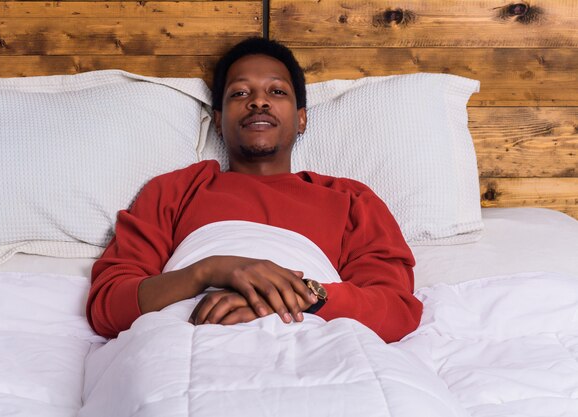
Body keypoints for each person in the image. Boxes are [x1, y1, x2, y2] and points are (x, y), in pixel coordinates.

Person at [86, 37, 422, 343]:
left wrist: (290, 296)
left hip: (314, 336)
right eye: (240, 93)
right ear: (218, 120)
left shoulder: (351, 200)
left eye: (276, 92)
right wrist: (212, 270)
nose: (258, 101)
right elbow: (108, 306)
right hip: (188, 333)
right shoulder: (175, 190)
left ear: (302, 118)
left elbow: (395, 312)